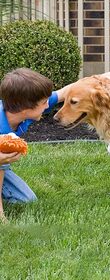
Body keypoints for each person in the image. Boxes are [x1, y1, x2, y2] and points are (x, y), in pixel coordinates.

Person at [0, 68, 68, 221]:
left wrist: (102, 79)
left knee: (27, 200)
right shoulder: (1, 129)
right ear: (25, 108)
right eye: (44, 103)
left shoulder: (23, 111)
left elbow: (65, 92)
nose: (47, 106)